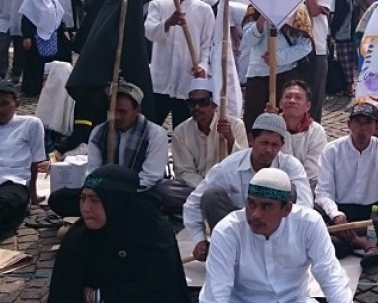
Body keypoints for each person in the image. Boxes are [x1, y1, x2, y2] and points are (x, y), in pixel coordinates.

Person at [186, 168, 366, 303]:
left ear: (286, 209)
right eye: (251, 203)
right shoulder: (228, 231)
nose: (255, 214)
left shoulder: (309, 223)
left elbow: (331, 278)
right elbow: (215, 297)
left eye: (266, 207)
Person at [39, 166, 192, 303]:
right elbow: (63, 300)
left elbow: (159, 293)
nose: (85, 208)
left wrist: (98, 296)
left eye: (94, 200)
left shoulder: (153, 233)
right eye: (83, 198)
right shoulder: (80, 236)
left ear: (116, 201)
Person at [183, 113, 313, 262]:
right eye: (264, 143)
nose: (269, 150)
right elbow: (193, 202)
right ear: (251, 140)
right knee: (212, 196)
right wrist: (199, 239)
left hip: (276, 235)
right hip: (240, 234)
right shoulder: (230, 166)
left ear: (282, 146)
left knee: (291, 191)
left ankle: (278, 253)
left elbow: (305, 206)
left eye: (274, 145)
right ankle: (231, 253)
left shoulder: (291, 166)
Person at [48, 81, 169, 218]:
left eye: (122, 111)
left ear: (137, 110)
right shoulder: (99, 132)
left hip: (136, 192)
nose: (116, 116)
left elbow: (150, 177)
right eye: (112, 110)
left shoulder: (155, 134)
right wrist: (95, 191)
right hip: (103, 192)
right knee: (58, 198)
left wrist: (118, 192)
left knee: (153, 201)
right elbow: (93, 171)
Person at [315, 103, 378, 262]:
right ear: (349, 125)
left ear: (376, 127)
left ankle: (357, 237)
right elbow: (323, 191)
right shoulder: (332, 150)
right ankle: (363, 242)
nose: (362, 128)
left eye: (368, 123)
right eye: (358, 122)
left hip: (372, 210)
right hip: (342, 211)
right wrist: (336, 215)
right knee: (333, 245)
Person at [157, 78, 249, 211]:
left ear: (214, 105)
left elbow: (242, 164)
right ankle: (212, 205)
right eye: (192, 103)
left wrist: (230, 139)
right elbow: (184, 171)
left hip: (228, 188)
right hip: (196, 188)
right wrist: (207, 189)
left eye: (203, 102)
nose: (197, 108)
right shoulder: (181, 132)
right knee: (165, 189)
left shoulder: (235, 125)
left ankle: (206, 206)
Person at [145, 0, 215, 127]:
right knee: (150, 129)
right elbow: (149, 33)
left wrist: (203, 67)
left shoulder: (204, 10)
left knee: (184, 133)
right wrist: (168, 23)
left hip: (187, 83)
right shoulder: (158, 4)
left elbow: (207, 45)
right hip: (160, 82)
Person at [241, 8, 313, 132]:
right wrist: (262, 18)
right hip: (257, 74)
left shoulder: (297, 8)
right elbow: (248, 41)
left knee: (286, 122)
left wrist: (277, 57)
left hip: (286, 72)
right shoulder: (253, 8)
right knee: (254, 124)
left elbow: (305, 45)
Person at [0, 80, 47, 230]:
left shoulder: (29, 124)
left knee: (6, 205)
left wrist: (33, 195)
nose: (0, 109)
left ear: (17, 104)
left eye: (4, 103)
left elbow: (35, 162)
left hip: (13, 182)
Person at [20, 0, 69, 97]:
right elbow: (27, 19)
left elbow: (58, 16)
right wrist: (27, 36)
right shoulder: (31, 0)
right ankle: (33, 88)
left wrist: (64, 30)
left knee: (55, 63)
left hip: (53, 36)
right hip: (37, 37)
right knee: (35, 64)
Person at [276, 80, 328, 191]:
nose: (292, 101)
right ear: (280, 103)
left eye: (298, 98)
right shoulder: (272, 128)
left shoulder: (316, 131)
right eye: (288, 96)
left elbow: (311, 171)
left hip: (306, 188)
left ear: (307, 106)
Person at [305, 0, 335, 122]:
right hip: (291, 48)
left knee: (314, 96)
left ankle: (313, 133)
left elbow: (315, 11)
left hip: (317, 48)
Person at [0, 0, 29, 83]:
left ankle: (16, 73)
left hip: (20, 20)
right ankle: (2, 73)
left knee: (19, 50)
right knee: (2, 47)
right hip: (4, 20)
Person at [330, 0, 356, 96]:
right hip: (343, 33)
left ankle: (349, 87)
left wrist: (333, 31)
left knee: (346, 61)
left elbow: (339, 18)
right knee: (342, 60)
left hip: (344, 34)